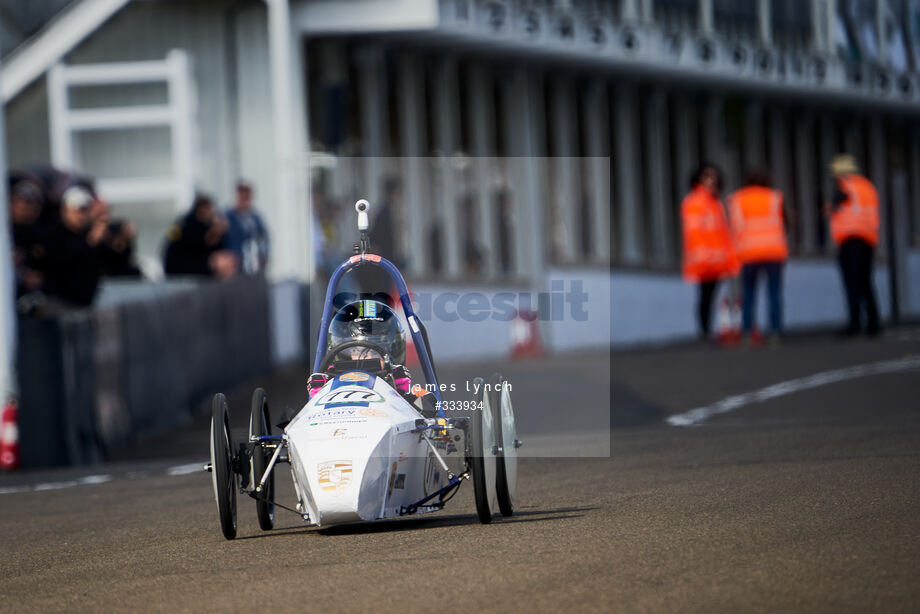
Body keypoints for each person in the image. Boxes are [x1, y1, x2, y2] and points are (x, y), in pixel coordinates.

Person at [306, 299, 438, 418]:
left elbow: (430, 404)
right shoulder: (328, 382)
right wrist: (319, 395)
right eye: (357, 351)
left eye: (374, 352)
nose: (366, 357)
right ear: (342, 352)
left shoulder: (396, 383)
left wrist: (402, 394)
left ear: (389, 352)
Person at [728, 169, 789, 344]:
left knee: (748, 293)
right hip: (774, 251)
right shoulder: (775, 197)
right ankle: (775, 331)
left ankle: (747, 332)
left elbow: (735, 227)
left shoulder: (739, 198)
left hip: (749, 252)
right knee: (774, 292)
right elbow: (785, 223)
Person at [680, 163, 739, 341]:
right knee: (705, 296)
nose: (711, 181)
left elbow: (723, 233)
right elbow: (693, 231)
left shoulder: (715, 203)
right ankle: (705, 330)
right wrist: (704, 255)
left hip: (719, 259)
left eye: (713, 177)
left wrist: (730, 257)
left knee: (713, 296)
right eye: (707, 177)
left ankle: (718, 328)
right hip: (705, 259)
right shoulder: (694, 201)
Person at [825, 154, 881, 337]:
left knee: (852, 283)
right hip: (868, 238)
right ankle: (874, 323)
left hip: (850, 239)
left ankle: (855, 323)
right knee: (866, 282)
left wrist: (829, 208)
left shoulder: (845, 185)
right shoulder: (867, 186)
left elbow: (833, 205)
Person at [43, 186, 105, 308]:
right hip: (61, 302)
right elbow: (63, 262)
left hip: (86, 303)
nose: (81, 215)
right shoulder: (54, 233)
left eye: (85, 210)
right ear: (65, 210)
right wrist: (90, 243)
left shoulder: (90, 232)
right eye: (77, 210)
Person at [163, 194, 237, 279]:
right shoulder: (184, 225)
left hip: (196, 269)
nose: (211, 214)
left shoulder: (208, 225)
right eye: (208, 209)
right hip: (178, 270)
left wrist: (218, 233)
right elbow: (194, 247)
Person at [225, 180, 269, 274]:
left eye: (247, 197)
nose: (244, 200)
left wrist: (264, 256)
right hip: (234, 264)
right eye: (242, 196)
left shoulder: (255, 218)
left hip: (253, 264)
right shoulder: (227, 216)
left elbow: (264, 239)